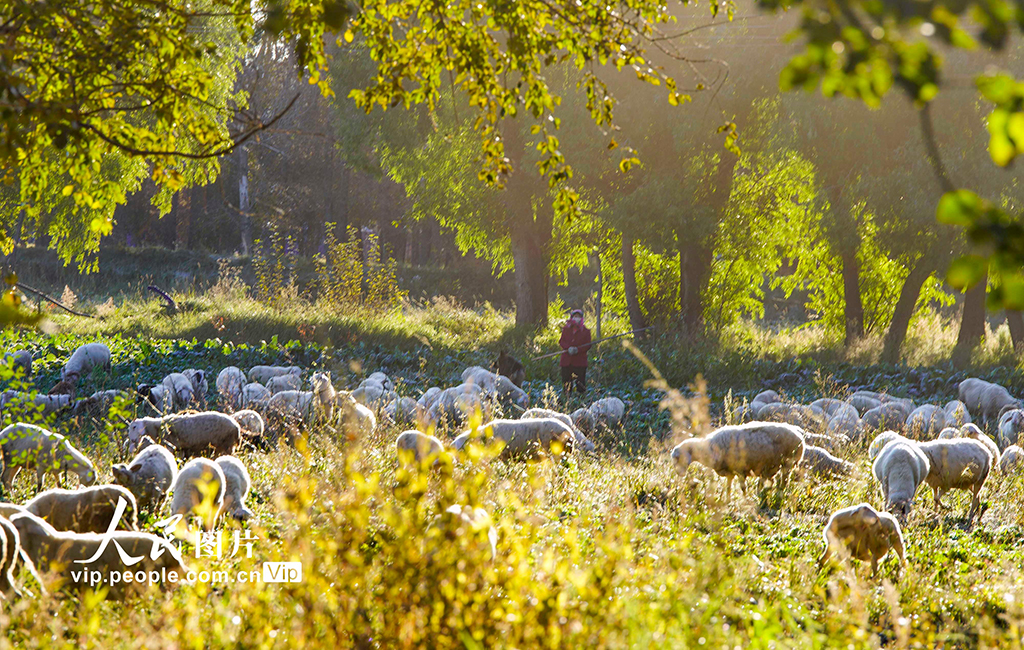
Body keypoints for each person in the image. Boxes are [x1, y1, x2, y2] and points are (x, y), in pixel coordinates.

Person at [559, 309, 592, 394]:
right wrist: (568, 348)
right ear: (571, 317)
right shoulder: (566, 329)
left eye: (578, 317)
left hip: (580, 362)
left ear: (581, 318)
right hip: (567, 361)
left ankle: (581, 401)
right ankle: (567, 401)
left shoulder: (586, 331)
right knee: (566, 384)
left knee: (580, 384)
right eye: (575, 316)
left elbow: (588, 345)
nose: (576, 318)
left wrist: (578, 350)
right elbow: (561, 341)